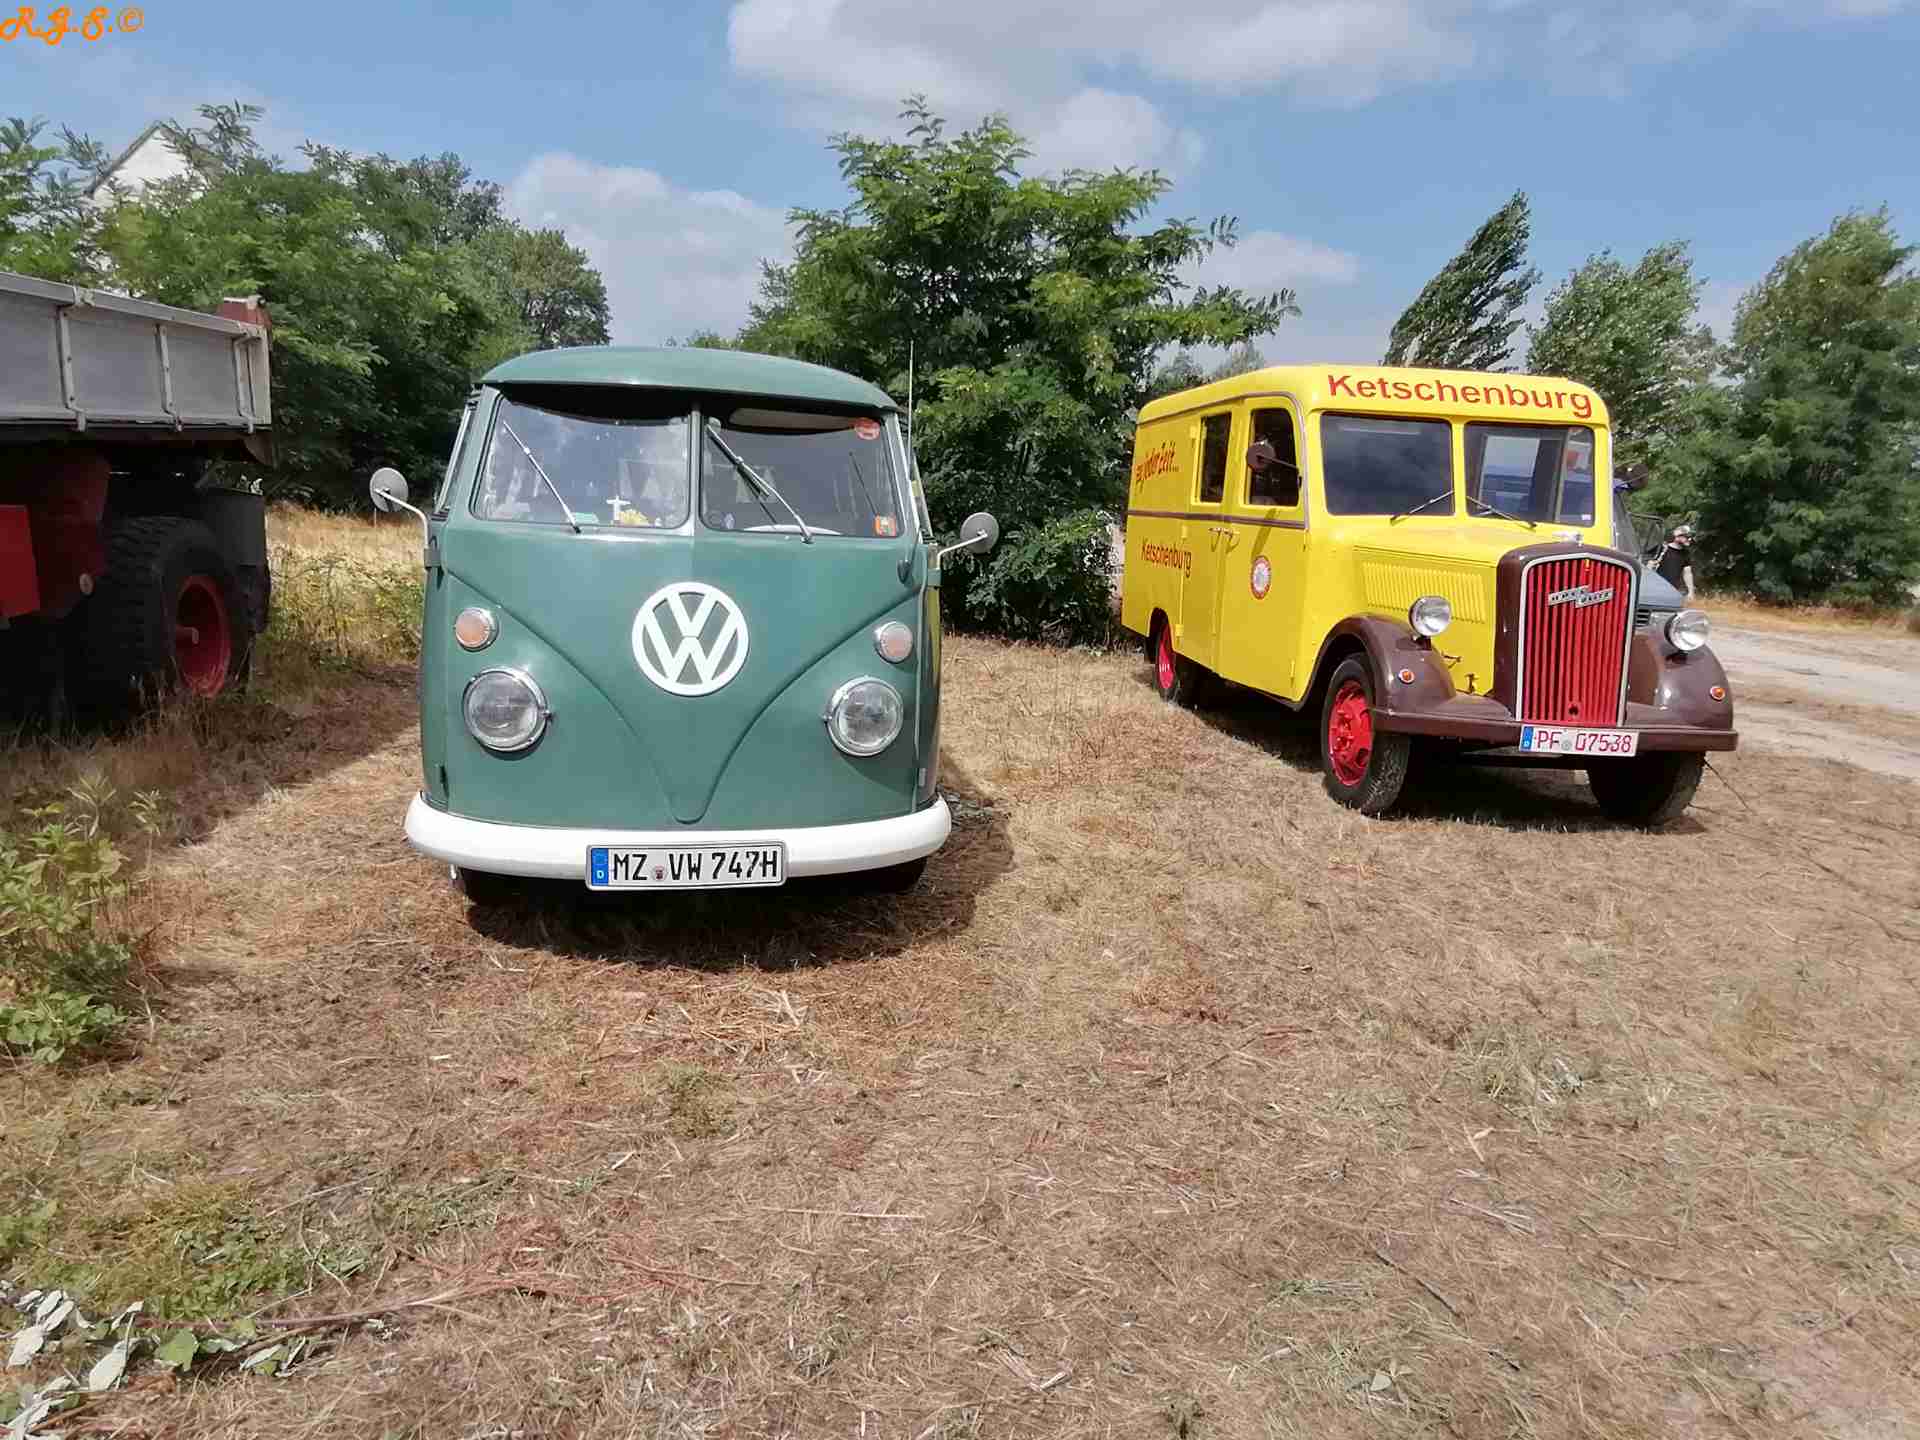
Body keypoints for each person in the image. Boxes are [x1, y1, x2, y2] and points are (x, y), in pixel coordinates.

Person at [1655, 523, 1697, 600]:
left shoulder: (1685, 553)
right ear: (1677, 536)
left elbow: (1687, 573)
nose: (1690, 539)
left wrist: (1691, 592)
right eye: (1687, 537)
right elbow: (1648, 567)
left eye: (1690, 537)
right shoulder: (1662, 549)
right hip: (1656, 589)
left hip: (1672, 591)